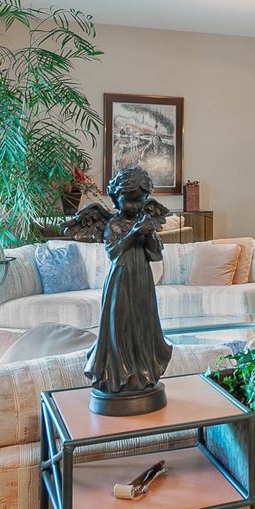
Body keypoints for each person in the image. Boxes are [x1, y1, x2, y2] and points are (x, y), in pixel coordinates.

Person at [70, 166, 172, 414]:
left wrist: (149, 236)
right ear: (116, 198)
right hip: (121, 281)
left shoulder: (143, 220)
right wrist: (134, 233)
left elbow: (156, 254)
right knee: (121, 327)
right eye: (130, 201)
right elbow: (115, 253)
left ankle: (144, 372)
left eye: (141, 201)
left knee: (144, 324)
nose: (137, 207)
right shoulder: (114, 223)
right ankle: (119, 376)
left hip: (142, 281)